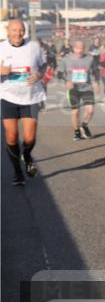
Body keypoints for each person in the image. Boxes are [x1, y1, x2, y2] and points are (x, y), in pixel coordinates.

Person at [0, 18, 48, 185]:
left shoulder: (34, 46)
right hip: (8, 97)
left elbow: (44, 65)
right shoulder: (1, 48)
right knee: (12, 136)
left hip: (31, 97)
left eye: (21, 30)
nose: (18, 34)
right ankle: (18, 172)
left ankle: (26, 156)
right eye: (14, 30)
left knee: (29, 137)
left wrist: (39, 75)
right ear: (8, 32)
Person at [57, 39, 98, 141]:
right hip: (73, 89)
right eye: (77, 48)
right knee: (75, 112)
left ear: (84, 49)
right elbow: (59, 73)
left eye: (82, 48)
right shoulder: (66, 59)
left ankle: (84, 125)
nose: (80, 50)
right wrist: (66, 81)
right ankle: (77, 132)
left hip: (87, 88)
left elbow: (95, 71)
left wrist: (97, 82)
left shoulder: (90, 59)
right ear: (73, 48)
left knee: (90, 110)